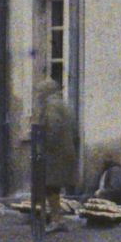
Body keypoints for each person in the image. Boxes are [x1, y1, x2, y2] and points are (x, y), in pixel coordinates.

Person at [35, 80, 79, 231]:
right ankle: (56, 218)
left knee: (50, 188)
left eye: (40, 92)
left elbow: (52, 128)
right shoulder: (64, 105)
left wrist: (43, 145)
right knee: (54, 188)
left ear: (47, 92)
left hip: (54, 154)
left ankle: (56, 219)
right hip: (65, 151)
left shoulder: (51, 106)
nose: (38, 95)